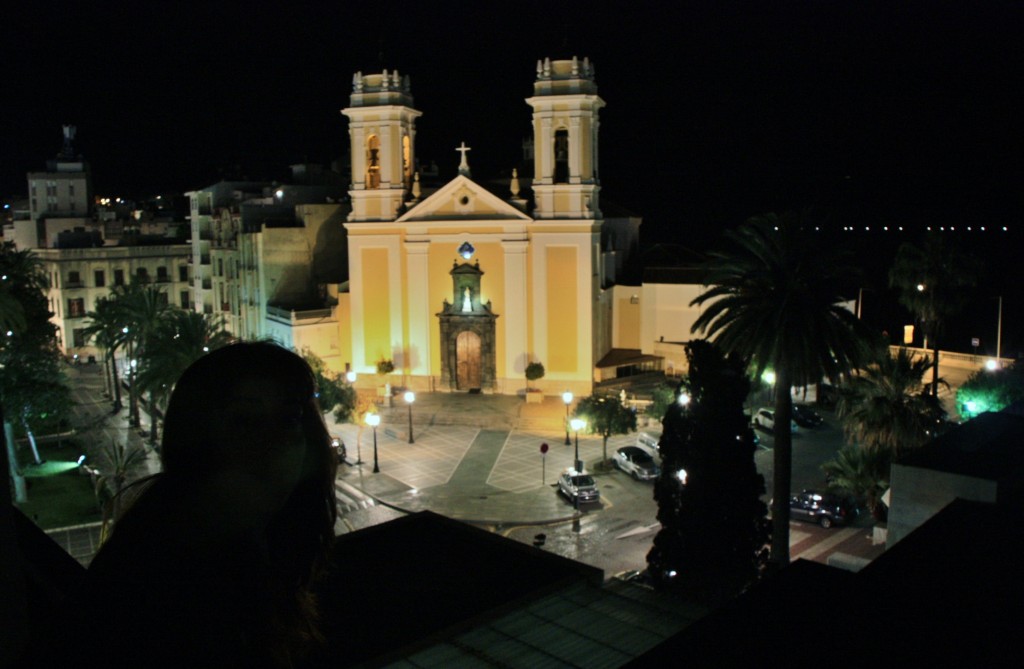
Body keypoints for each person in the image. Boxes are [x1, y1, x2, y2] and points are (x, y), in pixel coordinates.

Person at [40, 342, 338, 668]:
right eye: (244, 421)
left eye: (289, 418)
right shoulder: (164, 579)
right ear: (197, 435)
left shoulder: (264, 540)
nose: (273, 444)